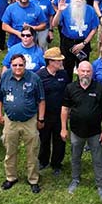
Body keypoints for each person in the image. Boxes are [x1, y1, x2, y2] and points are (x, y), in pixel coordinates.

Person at [61, 61, 102, 201]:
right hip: (76, 132)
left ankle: (100, 185)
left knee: (98, 160)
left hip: (95, 132)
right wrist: (64, 128)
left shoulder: (99, 88)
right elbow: (65, 109)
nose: (85, 74)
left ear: (92, 73)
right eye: (82, 71)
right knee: (75, 157)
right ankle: (75, 179)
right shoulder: (70, 88)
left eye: (88, 71)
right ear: (78, 72)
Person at [0, 53, 45, 193]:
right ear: (11, 65)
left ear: (25, 65)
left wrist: (40, 119)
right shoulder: (5, 77)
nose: (17, 67)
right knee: (10, 151)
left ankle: (33, 179)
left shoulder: (34, 78)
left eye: (20, 65)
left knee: (32, 152)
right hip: (10, 121)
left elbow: (41, 100)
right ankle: (11, 177)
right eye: (15, 65)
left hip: (29, 120)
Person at [37, 47, 70, 175]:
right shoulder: (39, 76)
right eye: (58, 61)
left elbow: (67, 92)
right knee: (44, 139)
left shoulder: (64, 74)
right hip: (45, 114)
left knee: (60, 140)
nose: (60, 63)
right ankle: (43, 160)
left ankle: (57, 163)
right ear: (50, 62)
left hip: (60, 114)